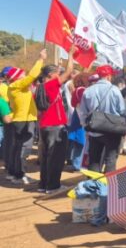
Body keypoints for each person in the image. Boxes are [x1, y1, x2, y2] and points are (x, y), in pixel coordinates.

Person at [37, 48, 75, 193]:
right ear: (51, 75)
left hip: (44, 126)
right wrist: (70, 55)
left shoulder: (40, 87)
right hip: (55, 126)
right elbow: (69, 71)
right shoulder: (51, 85)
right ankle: (53, 186)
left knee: (46, 157)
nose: (59, 75)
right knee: (56, 158)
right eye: (57, 73)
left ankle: (43, 185)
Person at [6, 49, 47, 185]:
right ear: (17, 77)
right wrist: (40, 59)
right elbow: (32, 75)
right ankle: (20, 175)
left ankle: (13, 173)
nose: (25, 76)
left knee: (16, 148)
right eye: (22, 75)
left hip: (20, 120)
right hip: (24, 121)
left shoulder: (16, 87)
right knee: (24, 149)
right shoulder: (16, 85)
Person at [78, 65, 126, 173]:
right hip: (112, 131)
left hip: (94, 131)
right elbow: (122, 110)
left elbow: (82, 113)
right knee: (110, 161)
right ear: (109, 76)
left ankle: (93, 183)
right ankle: (109, 183)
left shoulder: (88, 91)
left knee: (94, 161)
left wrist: (86, 129)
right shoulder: (115, 90)